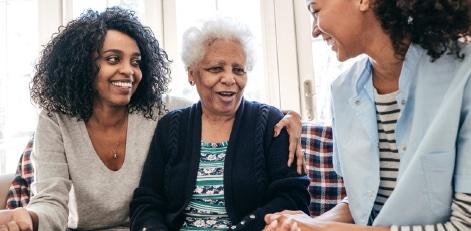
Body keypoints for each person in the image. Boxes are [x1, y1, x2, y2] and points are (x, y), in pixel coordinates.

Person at [0, 7, 304, 231]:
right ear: (82, 65)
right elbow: (52, 201)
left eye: (136, 61)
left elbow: (219, 107)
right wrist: (29, 216)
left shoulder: (160, 111)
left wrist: (290, 116)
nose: (128, 71)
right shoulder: (57, 120)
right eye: (112, 59)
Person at [264, 0, 471, 230]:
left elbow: (463, 225)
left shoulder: (465, 75)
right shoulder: (342, 90)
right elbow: (360, 203)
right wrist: (304, 223)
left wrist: (322, 229)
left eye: (316, 11)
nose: (314, 29)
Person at [130, 17, 310, 231]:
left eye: (238, 70)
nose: (229, 79)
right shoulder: (171, 126)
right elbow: (148, 200)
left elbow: (293, 198)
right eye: (216, 69)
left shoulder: (272, 123)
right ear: (191, 74)